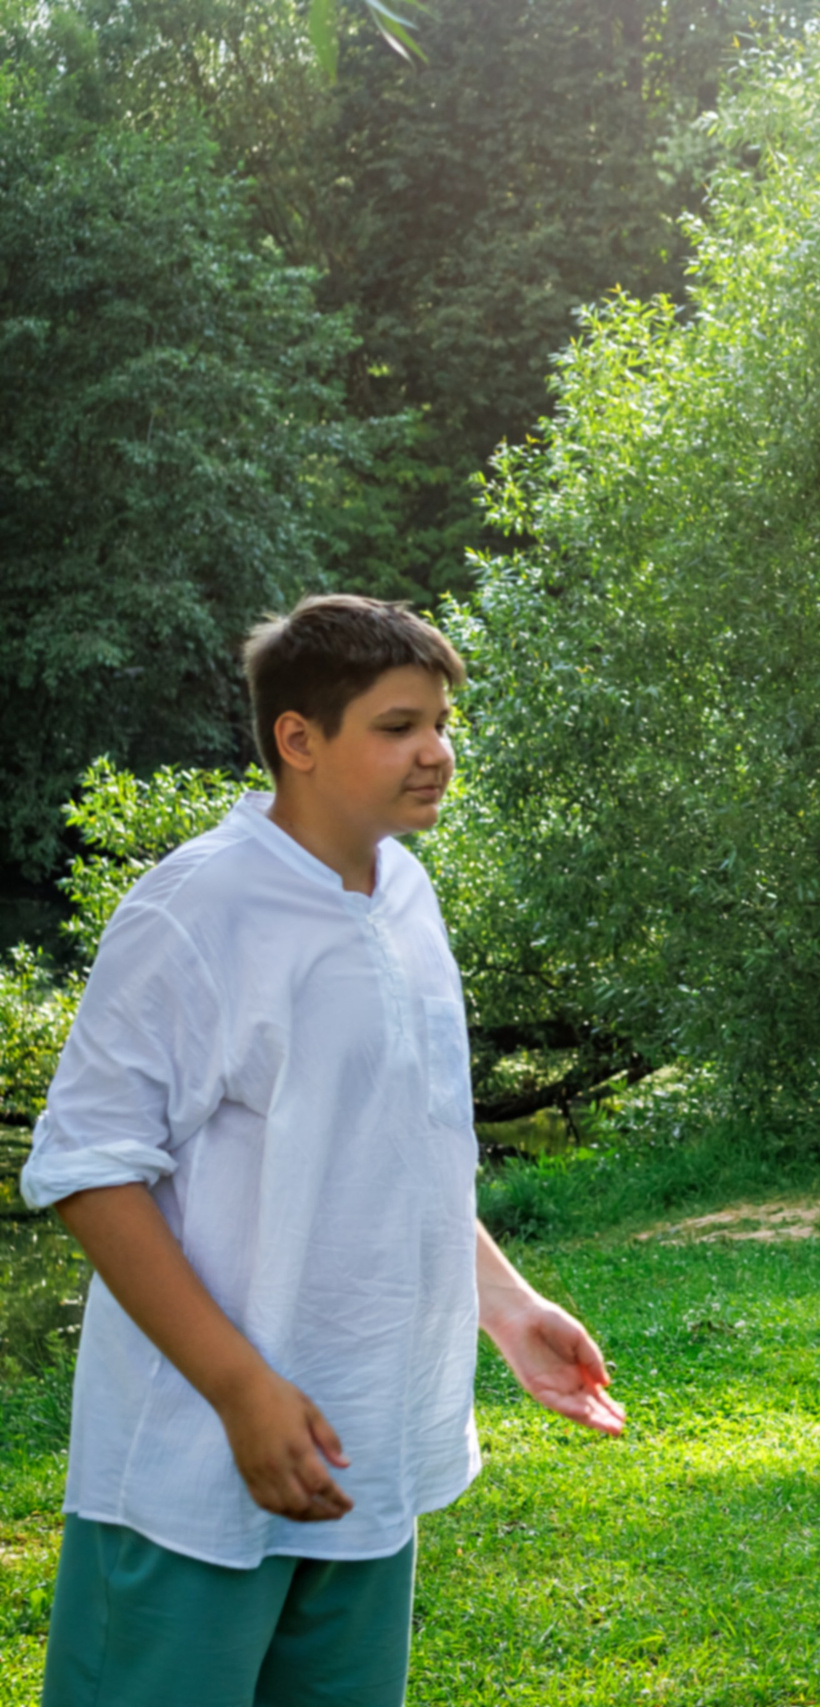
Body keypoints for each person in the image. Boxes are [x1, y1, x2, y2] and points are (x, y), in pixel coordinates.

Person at [20, 595, 625, 1707]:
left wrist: (504, 1304)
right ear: (298, 739)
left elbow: (400, 1145)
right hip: (194, 1471)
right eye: (399, 727)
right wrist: (243, 1390)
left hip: (364, 1452)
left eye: (442, 722)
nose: (437, 752)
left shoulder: (406, 891)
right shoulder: (193, 910)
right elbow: (89, 1171)